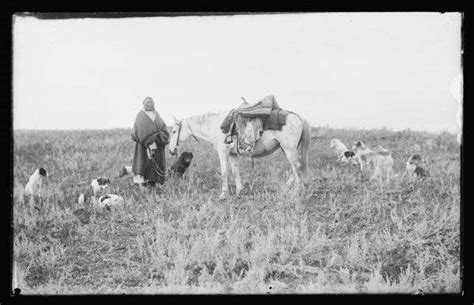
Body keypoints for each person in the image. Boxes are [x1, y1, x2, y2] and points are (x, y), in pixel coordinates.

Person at [131, 97, 169, 189]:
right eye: (147, 102)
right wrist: (149, 139)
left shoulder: (157, 115)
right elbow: (137, 131)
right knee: (143, 166)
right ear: (143, 104)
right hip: (143, 147)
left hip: (157, 146)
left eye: (151, 102)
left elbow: (163, 129)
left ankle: (153, 185)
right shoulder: (140, 116)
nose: (149, 104)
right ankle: (142, 188)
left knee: (154, 166)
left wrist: (158, 136)